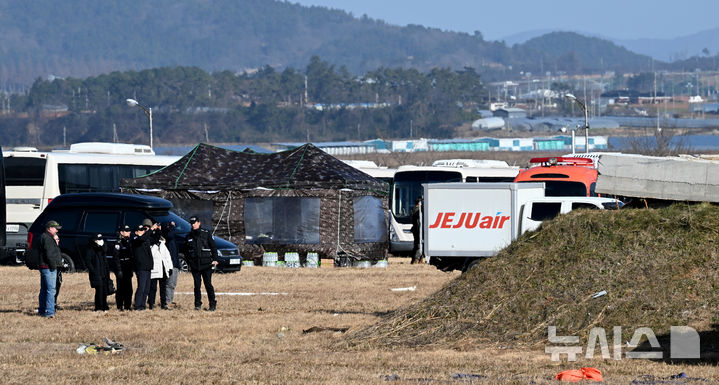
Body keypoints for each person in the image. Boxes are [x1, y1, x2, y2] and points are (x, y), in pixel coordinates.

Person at [184, 216, 218, 311]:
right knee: (197, 286)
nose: (193, 225)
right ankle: (197, 304)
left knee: (208, 284)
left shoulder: (206, 234)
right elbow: (186, 251)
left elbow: (213, 247)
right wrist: (189, 262)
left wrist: (215, 259)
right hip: (195, 265)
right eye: (191, 223)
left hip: (206, 263)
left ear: (199, 223)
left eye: (194, 223)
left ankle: (212, 304)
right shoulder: (189, 236)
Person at [34, 220, 62, 318]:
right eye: (55, 228)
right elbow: (50, 254)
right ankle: (50, 312)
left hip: (44, 266)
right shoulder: (48, 239)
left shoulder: (44, 237)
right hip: (48, 267)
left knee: (44, 289)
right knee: (51, 290)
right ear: (49, 228)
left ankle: (42, 310)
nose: (57, 231)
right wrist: (53, 266)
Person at [148, 224, 174, 310]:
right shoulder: (151, 246)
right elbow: (151, 255)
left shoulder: (163, 245)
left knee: (163, 288)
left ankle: (163, 304)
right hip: (155, 270)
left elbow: (168, 257)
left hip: (163, 269)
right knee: (153, 288)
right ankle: (151, 304)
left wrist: (170, 267)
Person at [85, 233, 110, 312]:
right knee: (99, 291)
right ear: (94, 241)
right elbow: (88, 262)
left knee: (104, 290)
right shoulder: (90, 249)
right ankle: (98, 307)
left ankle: (104, 306)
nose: (101, 241)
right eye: (98, 240)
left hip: (104, 273)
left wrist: (102, 246)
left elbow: (105, 250)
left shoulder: (102, 249)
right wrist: (93, 271)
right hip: (96, 274)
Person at [131, 223, 153, 311]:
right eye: (140, 230)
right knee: (141, 287)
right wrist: (150, 230)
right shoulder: (135, 239)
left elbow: (154, 239)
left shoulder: (145, 240)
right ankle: (137, 305)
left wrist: (157, 230)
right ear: (136, 232)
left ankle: (142, 305)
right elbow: (142, 238)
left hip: (148, 266)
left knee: (147, 288)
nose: (143, 232)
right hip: (141, 267)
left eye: (143, 230)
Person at [112, 225, 134, 311]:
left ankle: (127, 305)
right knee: (121, 288)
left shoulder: (129, 241)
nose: (129, 232)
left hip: (128, 267)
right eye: (127, 231)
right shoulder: (118, 243)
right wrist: (118, 270)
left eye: (129, 231)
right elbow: (116, 257)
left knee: (129, 288)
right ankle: (120, 305)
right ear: (122, 232)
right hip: (121, 266)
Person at [162, 221, 181, 306]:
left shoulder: (172, 238)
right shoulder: (167, 236)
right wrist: (171, 227)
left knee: (172, 284)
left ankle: (169, 299)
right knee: (170, 284)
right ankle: (168, 301)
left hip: (175, 263)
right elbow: (169, 235)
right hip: (170, 264)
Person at [410, 196, 423, 264]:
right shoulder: (418, 210)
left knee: (416, 245)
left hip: (415, 229)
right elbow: (418, 221)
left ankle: (418, 259)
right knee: (418, 245)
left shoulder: (414, 209)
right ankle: (416, 259)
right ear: (419, 202)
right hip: (418, 230)